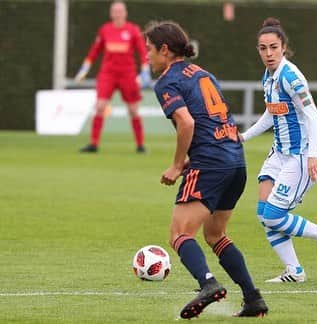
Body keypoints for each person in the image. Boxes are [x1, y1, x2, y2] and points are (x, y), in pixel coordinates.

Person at [144, 21, 268, 318]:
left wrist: (176, 165)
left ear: (164, 50)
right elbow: (217, 119)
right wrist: (195, 156)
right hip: (235, 160)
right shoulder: (203, 74)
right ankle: (252, 298)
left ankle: (208, 284)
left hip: (211, 162)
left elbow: (187, 123)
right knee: (215, 234)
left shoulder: (166, 81)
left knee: (179, 233)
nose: (146, 56)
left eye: (149, 50)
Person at [240, 17, 317, 283]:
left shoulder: (291, 76)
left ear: (283, 47)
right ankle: (295, 271)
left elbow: (313, 115)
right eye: (263, 48)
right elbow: (271, 114)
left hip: (300, 155)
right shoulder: (268, 77)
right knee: (264, 214)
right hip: (279, 153)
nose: (268, 53)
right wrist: (243, 137)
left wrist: (313, 154)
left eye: (273, 47)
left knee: (274, 215)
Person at [75, 0, 150, 153]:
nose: (117, 14)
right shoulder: (105, 30)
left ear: (125, 13)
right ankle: (94, 144)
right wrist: (85, 68)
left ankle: (140, 145)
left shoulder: (133, 30)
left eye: (120, 11)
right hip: (107, 74)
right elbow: (95, 51)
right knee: (100, 106)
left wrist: (145, 70)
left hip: (127, 74)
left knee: (133, 110)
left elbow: (142, 52)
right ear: (111, 13)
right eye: (114, 11)